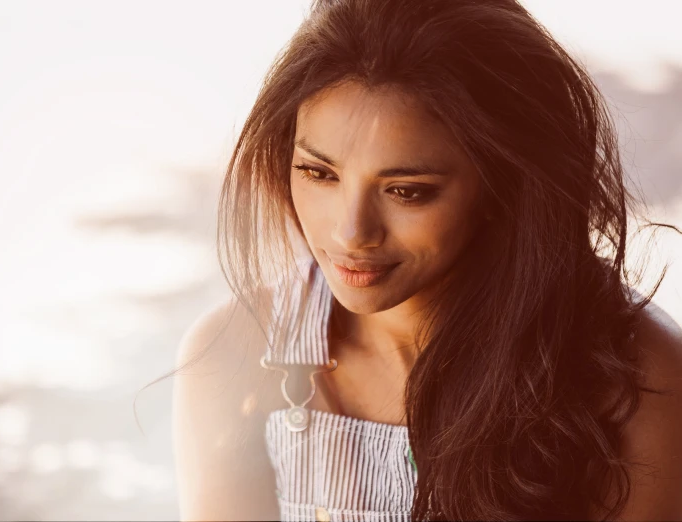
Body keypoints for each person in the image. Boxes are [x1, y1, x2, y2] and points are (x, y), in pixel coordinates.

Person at [171, 0, 682, 520]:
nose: (351, 233)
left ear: (503, 185)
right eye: (319, 174)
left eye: (406, 191)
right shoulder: (234, 355)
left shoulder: (632, 377)